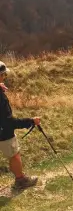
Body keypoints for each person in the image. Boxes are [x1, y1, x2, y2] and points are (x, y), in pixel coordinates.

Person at [0, 61, 40, 190]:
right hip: (3, 132)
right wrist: (30, 121)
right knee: (14, 154)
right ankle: (21, 180)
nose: (5, 77)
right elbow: (8, 122)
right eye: (3, 75)